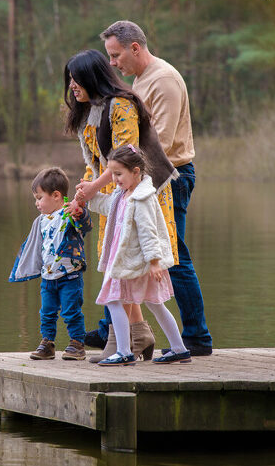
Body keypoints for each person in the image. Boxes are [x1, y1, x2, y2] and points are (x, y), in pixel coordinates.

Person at [98, 20, 213, 356]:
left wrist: (119, 179)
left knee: (172, 256)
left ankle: (196, 338)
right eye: (109, 56)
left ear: (136, 47)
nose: (112, 63)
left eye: (116, 54)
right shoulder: (140, 79)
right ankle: (115, 330)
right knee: (139, 252)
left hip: (170, 176)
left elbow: (157, 145)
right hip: (144, 177)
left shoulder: (163, 80)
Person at [62, 49, 179, 363]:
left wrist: (93, 190)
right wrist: (81, 198)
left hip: (136, 192)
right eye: (69, 80)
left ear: (93, 77)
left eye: (78, 79)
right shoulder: (89, 112)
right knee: (120, 267)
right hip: (113, 196)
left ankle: (124, 343)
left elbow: (124, 154)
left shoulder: (121, 105)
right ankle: (134, 336)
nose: (73, 86)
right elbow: (95, 163)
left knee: (131, 265)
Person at [87, 145, 191, 366]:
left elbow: (148, 231)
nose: (114, 179)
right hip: (129, 260)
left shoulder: (142, 197)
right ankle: (179, 348)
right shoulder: (123, 194)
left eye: (118, 174)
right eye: (112, 173)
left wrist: (154, 262)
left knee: (114, 300)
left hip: (136, 262)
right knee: (155, 304)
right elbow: (107, 206)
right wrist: (88, 197)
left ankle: (124, 351)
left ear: (136, 171)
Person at [9, 167, 93, 360]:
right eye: (35, 199)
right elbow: (35, 246)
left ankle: (77, 344)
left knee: (71, 311)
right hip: (48, 276)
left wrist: (79, 212)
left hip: (69, 275)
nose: (36, 203)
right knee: (46, 312)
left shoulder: (69, 213)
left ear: (56, 195)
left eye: (39, 198)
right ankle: (47, 344)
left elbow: (85, 225)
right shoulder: (41, 221)